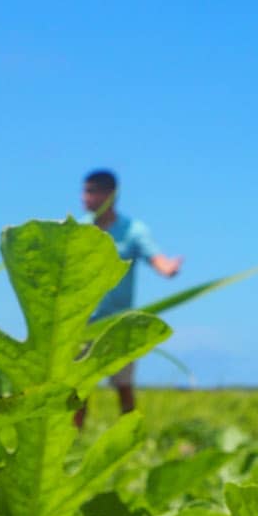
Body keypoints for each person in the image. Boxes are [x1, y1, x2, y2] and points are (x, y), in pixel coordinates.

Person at [80, 168, 182, 422]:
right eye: (84, 191)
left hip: (116, 324)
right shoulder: (79, 229)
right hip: (82, 323)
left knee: (123, 386)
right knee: (77, 390)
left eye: (91, 192)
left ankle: (128, 439)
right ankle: (73, 445)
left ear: (110, 195)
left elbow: (154, 256)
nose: (85, 198)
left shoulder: (132, 230)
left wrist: (168, 268)